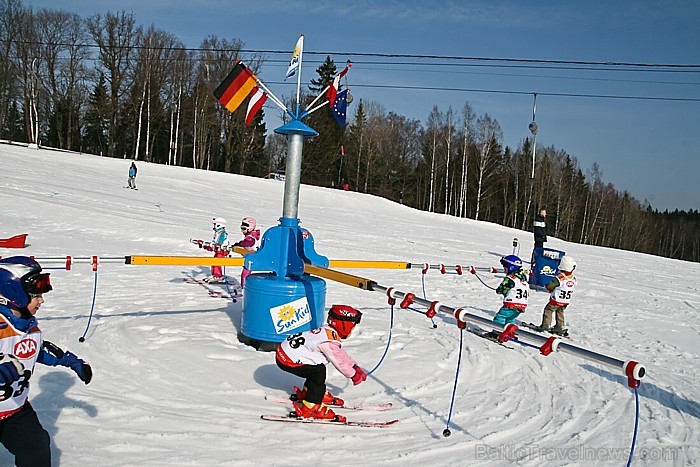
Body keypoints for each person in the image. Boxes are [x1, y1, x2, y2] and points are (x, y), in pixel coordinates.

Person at [0, 256, 92, 466]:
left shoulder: (27, 326)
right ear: (14, 295)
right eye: (36, 296)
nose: (41, 301)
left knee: (36, 447)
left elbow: (36, 349)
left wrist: (71, 362)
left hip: (14, 409)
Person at [275, 305, 367, 422]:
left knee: (315, 368)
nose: (352, 331)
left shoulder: (327, 332)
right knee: (318, 372)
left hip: (284, 354)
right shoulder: (328, 341)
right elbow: (338, 361)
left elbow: (340, 354)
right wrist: (353, 375)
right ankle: (311, 406)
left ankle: (310, 393)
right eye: (352, 327)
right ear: (344, 324)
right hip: (287, 359)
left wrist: (354, 367)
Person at [537, 256, 577, 335]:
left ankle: (546, 325)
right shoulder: (573, 278)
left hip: (556, 300)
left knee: (548, 310)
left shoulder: (560, 277)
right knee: (560, 312)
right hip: (565, 301)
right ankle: (559, 326)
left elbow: (551, 286)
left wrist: (548, 287)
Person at [492, 255, 529, 325]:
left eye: (505, 268)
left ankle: (496, 332)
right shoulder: (523, 278)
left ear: (511, 267)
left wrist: (499, 290)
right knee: (510, 318)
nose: (504, 270)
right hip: (522, 305)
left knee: (500, 317)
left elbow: (501, 290)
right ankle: (509, 332)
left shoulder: (510, 279)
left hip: (511, 304)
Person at [231, 217, 260, 287]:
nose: (242, 231)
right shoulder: (250, 236)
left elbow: (248, 242)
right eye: (241, 229)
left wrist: (240, 244)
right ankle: (244, 286)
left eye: (244, 229)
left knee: (245, 274)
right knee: (245, 273)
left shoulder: (250, 238)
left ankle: (244, 287)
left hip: (251, 258)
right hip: (249, 257)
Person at [204, 217, 229, 283]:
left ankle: (218, 276)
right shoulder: (218, 232)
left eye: (215, 224)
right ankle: (214, 274)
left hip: (221, 251)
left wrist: (217, 245)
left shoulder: (222, 233)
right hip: (218, 250)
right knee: (214, 262)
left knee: (217, 262)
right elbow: (215, 241)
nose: (214, 226)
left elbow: (220, 241)